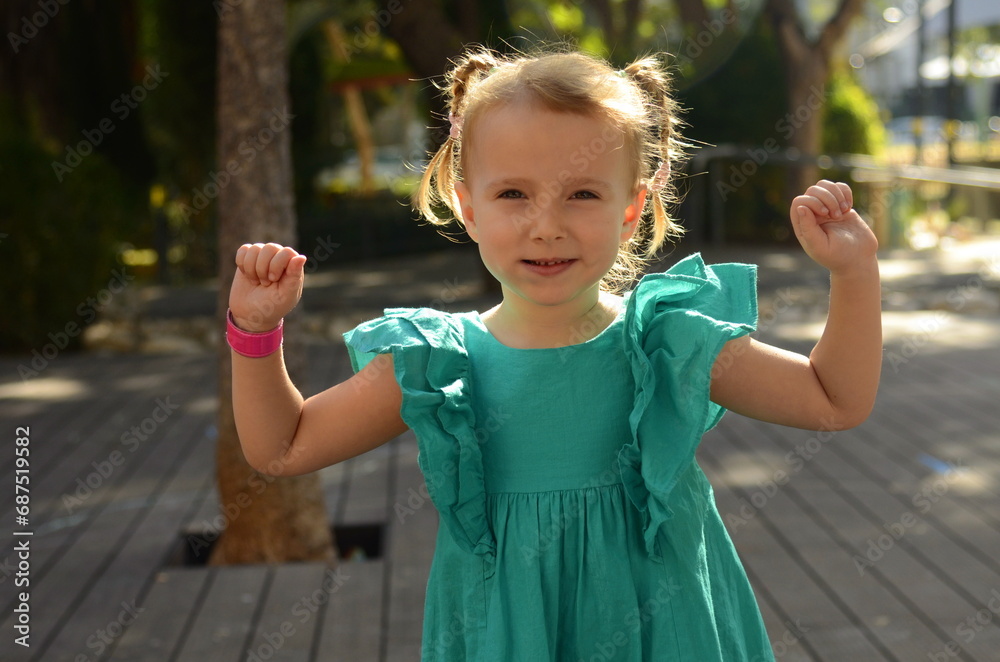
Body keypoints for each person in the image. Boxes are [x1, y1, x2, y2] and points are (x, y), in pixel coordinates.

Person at [226, 46, 881, 661]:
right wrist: (255, 336)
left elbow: (834, 399)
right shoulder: (439, 368)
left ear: (632, 209)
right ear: (469, 206)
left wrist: (853, 274)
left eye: (583, 193)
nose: (547, 223)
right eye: (513, 193)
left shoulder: (666, 344)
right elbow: (281, 447)